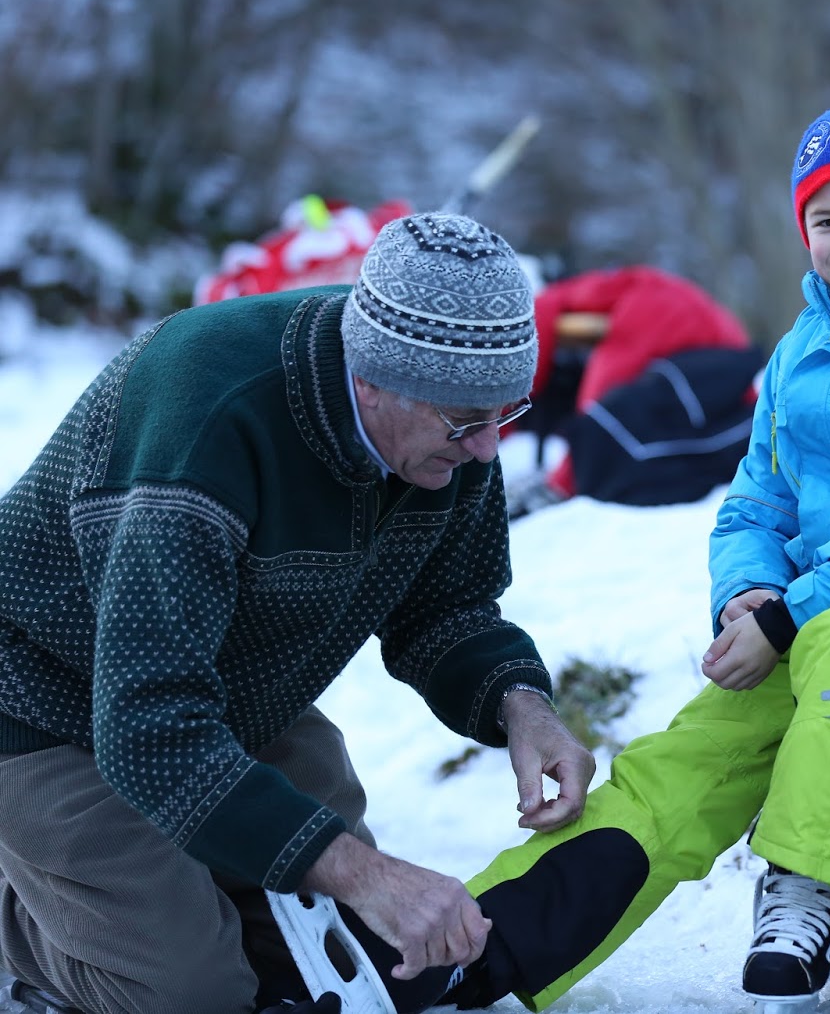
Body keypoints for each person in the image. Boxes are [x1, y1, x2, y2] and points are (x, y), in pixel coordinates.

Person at [453, 93, 830, 1011]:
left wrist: (792, 612)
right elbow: (754, 503)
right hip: (819, 610)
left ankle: (806, 884)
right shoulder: (795, 357)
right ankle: (476, 950)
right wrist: (749, 596)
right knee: (688, 757)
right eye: (826, 220)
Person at [0, 212, 600, 1014]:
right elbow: (148, 725)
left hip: (218, 695)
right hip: (43, 703)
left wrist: (520, 706)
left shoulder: (451, 420)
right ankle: (32, 909)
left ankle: (149, 889)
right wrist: (364, 870)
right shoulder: (206, 413)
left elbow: (447, 606)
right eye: (466, 423)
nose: (490, 450)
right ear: (374, 378)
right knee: (189, 990)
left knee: (358, 958)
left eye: (507, 414)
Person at [506, 265, 763, 515]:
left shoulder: (556, 295)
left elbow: (597, 400)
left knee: (603, 415)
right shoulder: (640, 282)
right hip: (724, 335)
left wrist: (499, 420)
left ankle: (561, 486)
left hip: (655, 312)